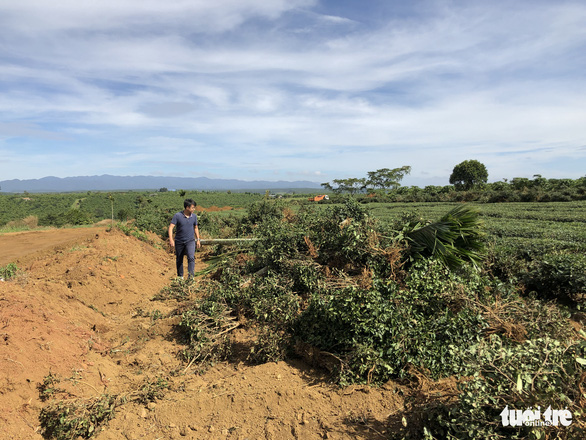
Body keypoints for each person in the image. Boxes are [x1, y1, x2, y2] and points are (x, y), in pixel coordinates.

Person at [168, 198, 201, 278]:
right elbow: (171, 227)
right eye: (193, 207)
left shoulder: (194, 217)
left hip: (190, 241)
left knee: (191, 257)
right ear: (187, 207)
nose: (194, 209)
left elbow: (196, 228)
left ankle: (191, 277)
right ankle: (180, 277)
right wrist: (171, 239)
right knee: (179, 259)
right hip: (179, 241)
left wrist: (198, 239)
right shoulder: (178, 216)